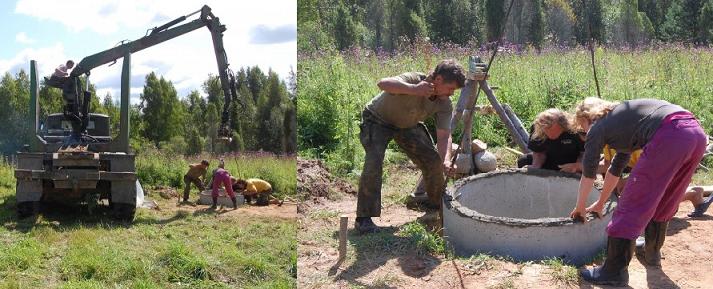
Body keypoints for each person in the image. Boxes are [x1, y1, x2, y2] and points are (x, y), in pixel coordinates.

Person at [569, 97, 706, 286]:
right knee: (666, 199)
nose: (583, 131)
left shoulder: (597, 127)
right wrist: (600, 203)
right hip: (695, 134)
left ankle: (613, 272)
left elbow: (589, 174)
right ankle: (651, 253)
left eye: (581, 126)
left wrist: (579, 208)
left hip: (669, 135)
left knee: (631, 203)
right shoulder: (625, 120)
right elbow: (615, 169)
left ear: (585, 118)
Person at [355, 59, 465, 234]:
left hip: (407, 125)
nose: (452, 93)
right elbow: (383, 83)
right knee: (373, 162)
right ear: (438, 80)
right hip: (377, 120)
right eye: (451, 88)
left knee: (433, 160)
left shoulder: (444, 103)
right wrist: (413, 90)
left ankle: (435, 206)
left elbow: (444, 136)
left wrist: (446, 160)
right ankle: (364, 220)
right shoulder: (414, 79)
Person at [600, 145, 712, 217]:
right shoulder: (608, 141)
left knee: (651, 209)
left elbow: (649, 172)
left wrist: (625, 183)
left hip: (664, 168)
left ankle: (692, 194)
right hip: (644, 171)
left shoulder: (637, 143)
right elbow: (608, 166)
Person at [517, 108, 585, 173]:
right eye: (546, 130)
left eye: (552, 129)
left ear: (563, 125)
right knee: (524, 160)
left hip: (570, 162)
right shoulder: (537, 127)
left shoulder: (575, 129)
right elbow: (538, 152)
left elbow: (584, 153)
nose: (550, 134)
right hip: (549, 160)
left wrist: (577, 167)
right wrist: (536, 166)